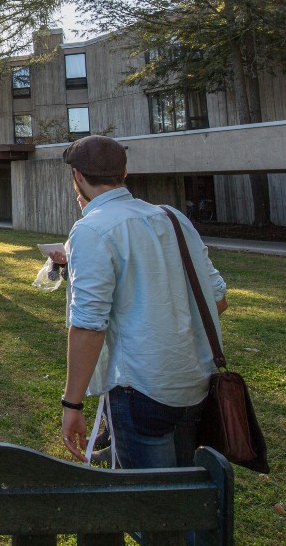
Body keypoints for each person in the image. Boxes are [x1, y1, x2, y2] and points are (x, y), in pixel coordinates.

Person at [55, 135, 229, 477]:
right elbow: (217, 299)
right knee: (184, 496)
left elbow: (90, 325)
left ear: (76, 176)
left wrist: (72, 403)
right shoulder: (173, 218)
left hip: (139, 388)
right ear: (125, 171)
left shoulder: (91, 228)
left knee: (153, 507)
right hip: (193, 380)